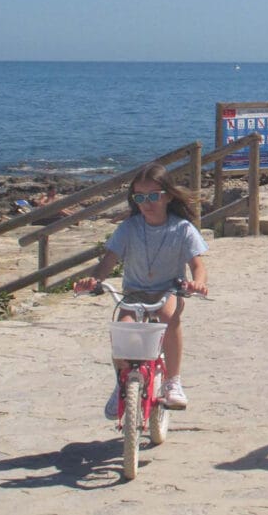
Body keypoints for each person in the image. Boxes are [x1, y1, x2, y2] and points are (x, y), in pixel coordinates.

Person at [74, 164, 209, 418]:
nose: (147, 203)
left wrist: (197, 283)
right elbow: (107, 263)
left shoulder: (182, 228)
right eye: (140, 197)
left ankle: (173, 381)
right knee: (123, 329)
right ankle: (122, 384)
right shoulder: (129, 228)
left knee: (169, 319)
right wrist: (93, 281)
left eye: (154, 196)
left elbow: (197, 265)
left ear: (168, 196)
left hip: (168, 290)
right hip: (134, 292)